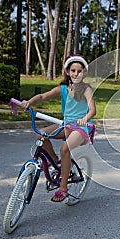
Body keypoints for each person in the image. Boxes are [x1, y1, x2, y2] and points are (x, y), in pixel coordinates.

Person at [21, 54, 96, 202]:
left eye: (79, 71)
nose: (76, 74)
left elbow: (92, 110)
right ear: (68, 72)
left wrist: (84, 119)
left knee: (65, 148)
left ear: (84, 73)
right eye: (73, 70)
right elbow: (43, 96)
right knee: (40, 135)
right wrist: (29, 102)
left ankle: (63, 189)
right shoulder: (63, 88)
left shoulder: (86, 89)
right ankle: (54, 160)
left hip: (81, 128)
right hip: (66, 125)